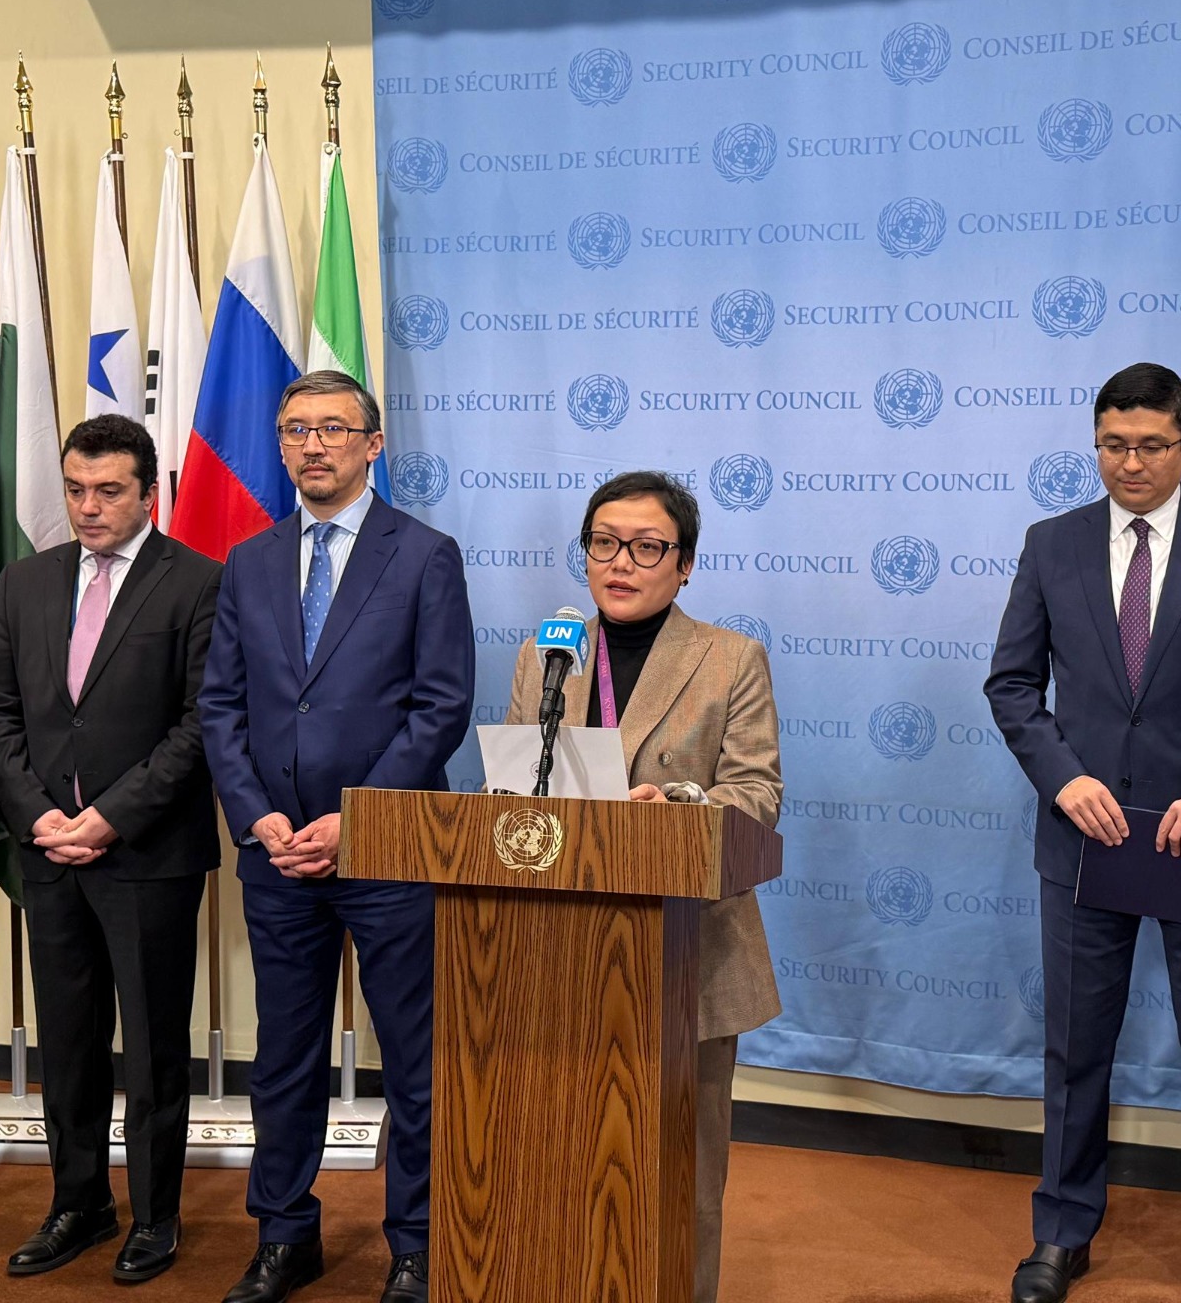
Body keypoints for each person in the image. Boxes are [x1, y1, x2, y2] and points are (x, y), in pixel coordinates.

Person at [984, 363, 1181, 1303]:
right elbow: (1012, 685)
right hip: (1085, 840)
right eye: (1113, 445)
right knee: (1076, 1049)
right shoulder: (1051, 544)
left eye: (1151, 446)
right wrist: (1064, 779)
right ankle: (1061, 1233)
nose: (1131, 463)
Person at [200, 370, 474, 1303]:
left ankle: (417, 1245)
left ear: (372, 444)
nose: (312, 445)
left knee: (414, 1059)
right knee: (283, 1059)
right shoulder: (249, 560)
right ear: (280, 445)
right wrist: (257, 816)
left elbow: (440, 708)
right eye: (295, 430)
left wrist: (357, 817)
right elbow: (221, 706)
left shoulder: (425, 555)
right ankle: (284, 1235)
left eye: (333, 429)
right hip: (278, 854)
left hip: (390, 849)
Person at [502, 470, 781, 1303]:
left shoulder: (729, 658)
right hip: (559, 946)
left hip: (686, 949)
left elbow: (757, 795)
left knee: (680, 1171)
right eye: (604, 543)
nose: (621, 562)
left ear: (685, 564)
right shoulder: (547, 653)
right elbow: (514, 787)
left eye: (647, 547)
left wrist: (679, 805)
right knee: (562, 1156)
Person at [0, 415, 222, 1283]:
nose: (88, 506)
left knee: (151, 1049)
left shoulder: (198, 582)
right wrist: (37, 815)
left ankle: (154, 1215)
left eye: (109, 491)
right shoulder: (25, 582)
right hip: (49, 852)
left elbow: (202, 723)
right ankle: (78, 1202)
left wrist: (111, 815)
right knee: (69, 1043)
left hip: (147, 855)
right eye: (76, 489)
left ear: (149, 494)